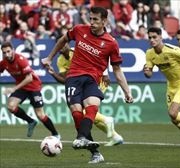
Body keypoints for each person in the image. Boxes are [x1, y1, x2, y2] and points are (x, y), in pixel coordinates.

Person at [42, 7, 133, 163]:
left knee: (92, 106)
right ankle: (95, 152)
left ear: (104, 21)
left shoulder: (111, 43)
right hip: (73, 77)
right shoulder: (79, 30)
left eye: (95, 19)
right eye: (90, 19)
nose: (91, 22)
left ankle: (82, 138)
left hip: (92, 79)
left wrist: (127, 91)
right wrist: (49, 58)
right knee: (77, 113)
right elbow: (63, 39)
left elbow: (117, 70)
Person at [44, 44, 124, 146]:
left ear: (68, 45)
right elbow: (66, 80)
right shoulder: (60, 60)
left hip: (96, 80)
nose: (62, 47)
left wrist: (105, 74)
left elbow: (98, 59)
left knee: (88, 110)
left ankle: (107, 120)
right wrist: (53, 73)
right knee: (89, 116)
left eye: (64, 45)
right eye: (59, 46)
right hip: (79, 84)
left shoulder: (77, 53)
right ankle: (115, 136)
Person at [143, 27, 180, 148]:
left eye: (154, 37)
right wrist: (146, 71)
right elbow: (149, 74)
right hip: (171, 85)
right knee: (174, 119)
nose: (152, 40)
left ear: (160, 37)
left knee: (173, 113)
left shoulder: (172, 49)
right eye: (150, 38)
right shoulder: (149, 53)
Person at [0, 42, 60, 139]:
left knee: (40, 114)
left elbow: (29, 78)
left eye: (8, 51)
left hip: (33, 86)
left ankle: (55, 134)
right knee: (11, 106)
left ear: (13, 50)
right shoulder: (4, 62)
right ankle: (31, 121)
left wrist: (14, 88)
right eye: (4, 53)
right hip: (22, 88)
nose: (7, 54)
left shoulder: (21, 60)